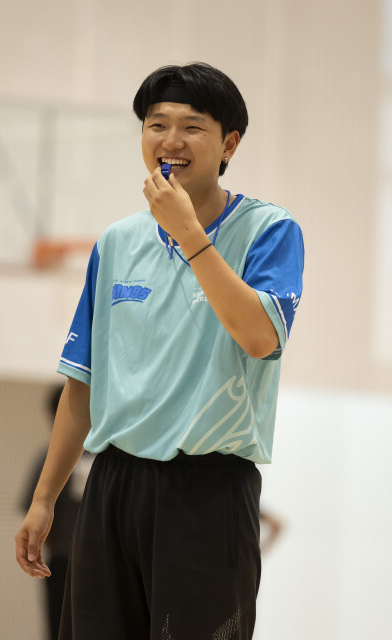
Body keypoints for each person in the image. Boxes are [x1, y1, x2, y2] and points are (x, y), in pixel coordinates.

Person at [15, 62, 304, 640]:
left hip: (207, 491)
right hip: (110, 486)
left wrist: (190, 234)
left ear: (229, 144)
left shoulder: (271, 231)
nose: (171, 140)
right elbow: (82, 384)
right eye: (156, 124)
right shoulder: (116, 242)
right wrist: (45, 499)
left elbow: (259, 337)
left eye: (192, 127)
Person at [19, 385, 94, 640]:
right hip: (65, 560)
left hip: (85, 558)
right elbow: (32, 510)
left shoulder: (107, 460)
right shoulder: (49, 460)